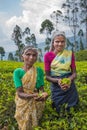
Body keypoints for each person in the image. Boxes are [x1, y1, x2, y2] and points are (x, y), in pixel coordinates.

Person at [13, 45, 48, 130]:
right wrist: (32, 96)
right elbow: (20, 93)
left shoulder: (39, 71)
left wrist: (44, 95)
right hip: (23, 102)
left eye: (34, 55)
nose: (31, 57)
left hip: (36, 102)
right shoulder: (17, 72)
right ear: (22, 56)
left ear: (36, 57)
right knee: (23, 124)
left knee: (35, 124)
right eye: (28, 54)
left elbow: (41, 89)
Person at [44, 30, 79, 113]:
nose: (60, 44)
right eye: (57, 41)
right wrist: (58, 81)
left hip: (69, 85)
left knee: (72, 110)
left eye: (62, 41)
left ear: (65, 42)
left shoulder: (69, 54)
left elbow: (74, 73)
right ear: (53, 42)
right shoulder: (48, 56)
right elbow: (47, 77)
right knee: (58, 109)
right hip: (56, 86)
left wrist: (69, 80)